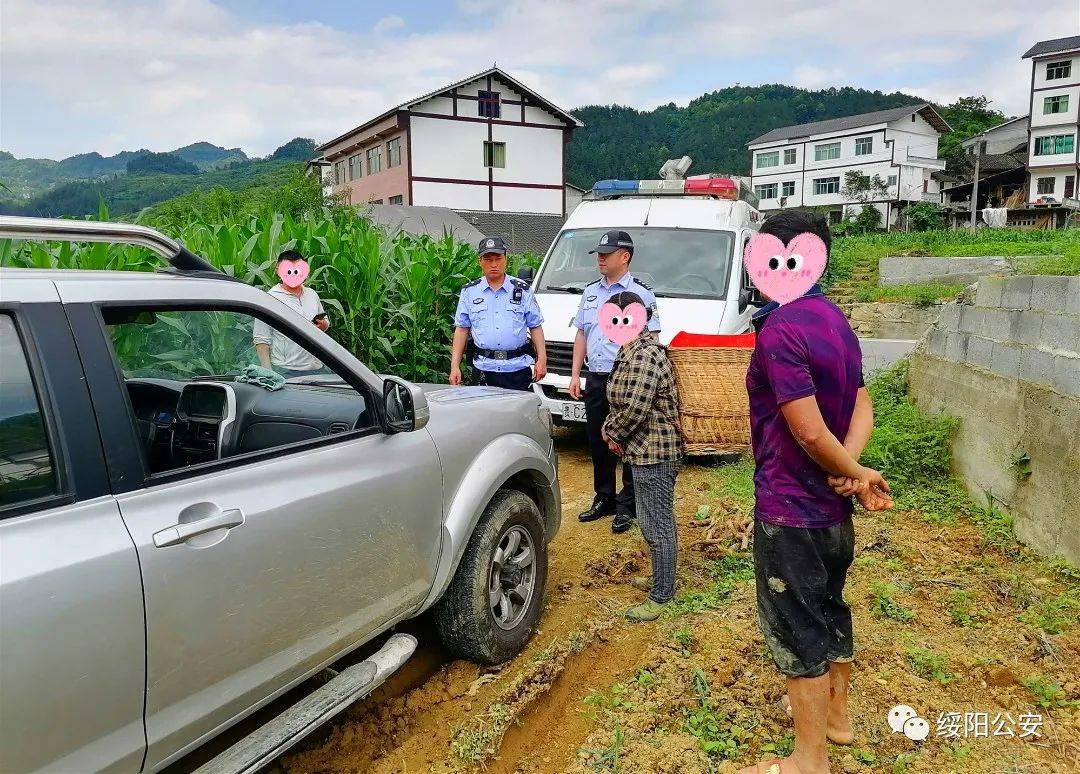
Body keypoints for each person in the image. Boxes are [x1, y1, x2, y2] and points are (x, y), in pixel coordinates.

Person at [737, 211, 893, 774]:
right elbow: (863, 400)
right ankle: (837, 719)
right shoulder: (836, 321)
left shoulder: (780, 330)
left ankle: (809, 760)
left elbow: (804, 427)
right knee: (829, 606)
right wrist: (852, 470)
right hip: (831, 513)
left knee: (797, 620)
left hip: (791, 507)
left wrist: (854, 470)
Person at [569, 230, 660, 534]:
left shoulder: (643, 294)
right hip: (596, 377)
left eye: (606, 254)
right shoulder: (590, 292)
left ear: (625, 257)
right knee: (597, 439)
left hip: (627, 380)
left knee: (630, 441)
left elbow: (652, 338)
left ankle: (628, 504)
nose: (600, 259)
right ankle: (604, 497)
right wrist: (574, 374)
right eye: (598, 254)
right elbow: (582, 333)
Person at [600, 291, 683, 622]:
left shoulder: (645, 356)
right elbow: (619, 404)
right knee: (651, 520)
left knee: (657, 522)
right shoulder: (629, 353)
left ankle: (662, 594)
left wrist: (613, 432)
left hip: (655, 451)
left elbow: (635, 408)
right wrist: (610, 428)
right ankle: (660, 579)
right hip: (643, 450)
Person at [450, 236, 547, 390]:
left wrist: (542, 360)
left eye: (498, 258)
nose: (494, 264)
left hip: (517, 370)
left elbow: (535, 326)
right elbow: (462, 329)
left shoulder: (522, 290)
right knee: (483, 414)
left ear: (506, 259)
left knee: (517, 414)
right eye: (488, 259)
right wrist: (455, 366)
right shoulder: (470, 292)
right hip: (483, 369)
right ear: (480, 261)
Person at [253, 249, 329, 378]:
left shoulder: (312, 294)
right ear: (278, 270)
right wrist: (270, 374)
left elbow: (324, 322)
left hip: (316, 368)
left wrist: (323, 325)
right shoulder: (270, 299)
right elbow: (261, 340)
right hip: (286, 371)